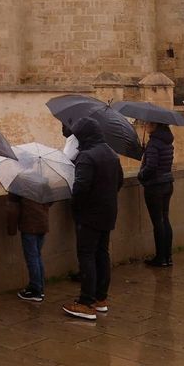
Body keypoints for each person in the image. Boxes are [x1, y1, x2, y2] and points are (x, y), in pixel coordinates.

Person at [64, 118, 122, 321]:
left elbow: (80, 188)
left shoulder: (86, 157)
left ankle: (86, 302)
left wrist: (76, 207)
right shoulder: (111, 153)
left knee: (87, 255)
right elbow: (119, 181)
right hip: (108, 212)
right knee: (102, 253)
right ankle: (100, 299)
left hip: (89, 214)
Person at [137, 121, 175, 267]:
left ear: (155, 126)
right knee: (165, 219)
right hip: (167, 183)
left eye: (147, 124)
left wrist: (141, 175)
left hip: (155, 186)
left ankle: (160, 257)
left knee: (158, 222)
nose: (145, 125)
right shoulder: (166, 141)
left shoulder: (154, 143)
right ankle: (168, 256)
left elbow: (151, 166)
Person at [6, 192, 51, 302]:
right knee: (37, 256)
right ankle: (40, 287)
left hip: (29, 226)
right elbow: (50, 199)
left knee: (32, 258)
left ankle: (35, 289)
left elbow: (12, 208)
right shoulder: (43, 181)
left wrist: (11, 229)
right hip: (43, 223)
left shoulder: (18, 185)